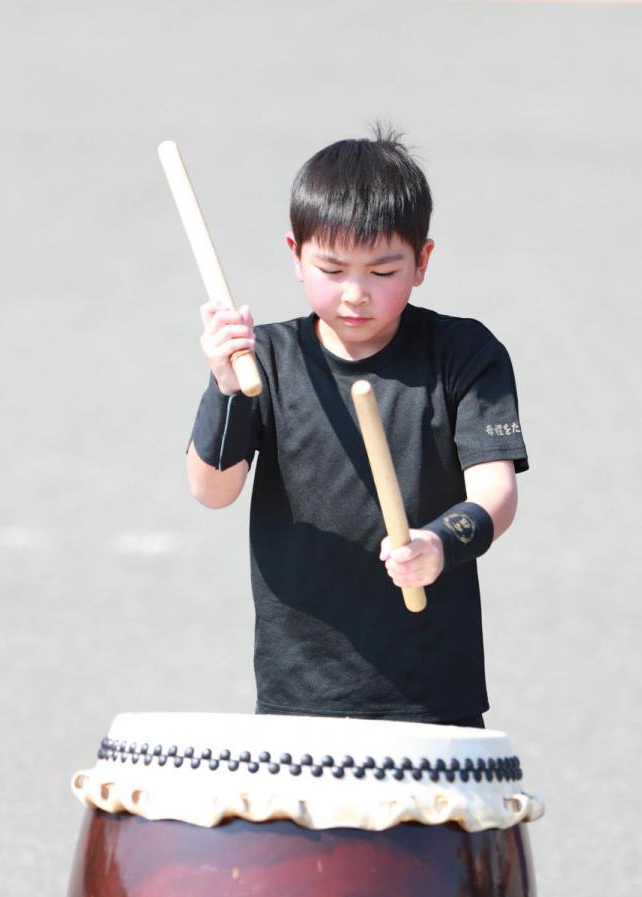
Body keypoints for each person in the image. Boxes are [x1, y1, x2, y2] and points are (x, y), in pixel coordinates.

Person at [186, 127, 528, 727]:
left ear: (422, 261)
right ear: (295, 255)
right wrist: (226, 388)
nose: (355, 294)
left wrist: (439, 544)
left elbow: (496, 495)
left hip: (433, 689)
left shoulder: (463, 354)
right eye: (332, 268)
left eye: (382, 270)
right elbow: (212, 492)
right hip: (301, 689)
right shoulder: (263, 359)